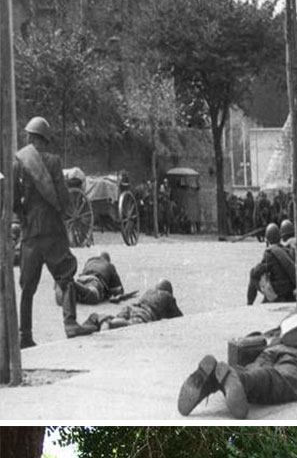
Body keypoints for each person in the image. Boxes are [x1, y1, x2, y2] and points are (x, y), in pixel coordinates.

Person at [177, 281, 297, 419]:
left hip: (271, 349)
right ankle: (236, 376)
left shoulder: (295, 315)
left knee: (256, 370)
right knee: (274, 379)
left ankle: (211, 381)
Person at [13, 116, 96, 348]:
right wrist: (66, 211)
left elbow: (12, 201)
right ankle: (70, 324)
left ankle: (24, 335)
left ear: (30, 138)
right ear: (45, 140)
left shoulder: (18, 162)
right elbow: (63, 197)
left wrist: (25, 214)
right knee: (66, 274)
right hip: (52, 231)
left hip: (30, 234)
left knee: (27, 286)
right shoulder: (53, 161)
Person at [82, 279, 182, 331]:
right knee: (133, 324)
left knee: (121, 319)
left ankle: (103, 320)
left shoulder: (149, 292)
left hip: (131, 307)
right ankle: (110, 323)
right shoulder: (167, 296)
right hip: (144, 311)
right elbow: (179, 317)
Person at [247, 222, 297, 304]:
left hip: (279, 293)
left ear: (267, 240)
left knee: (252, 274)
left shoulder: (270, 253)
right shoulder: (285, 250)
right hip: (290, 291)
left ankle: (249, 303)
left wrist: (255, 269)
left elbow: (258, 271)